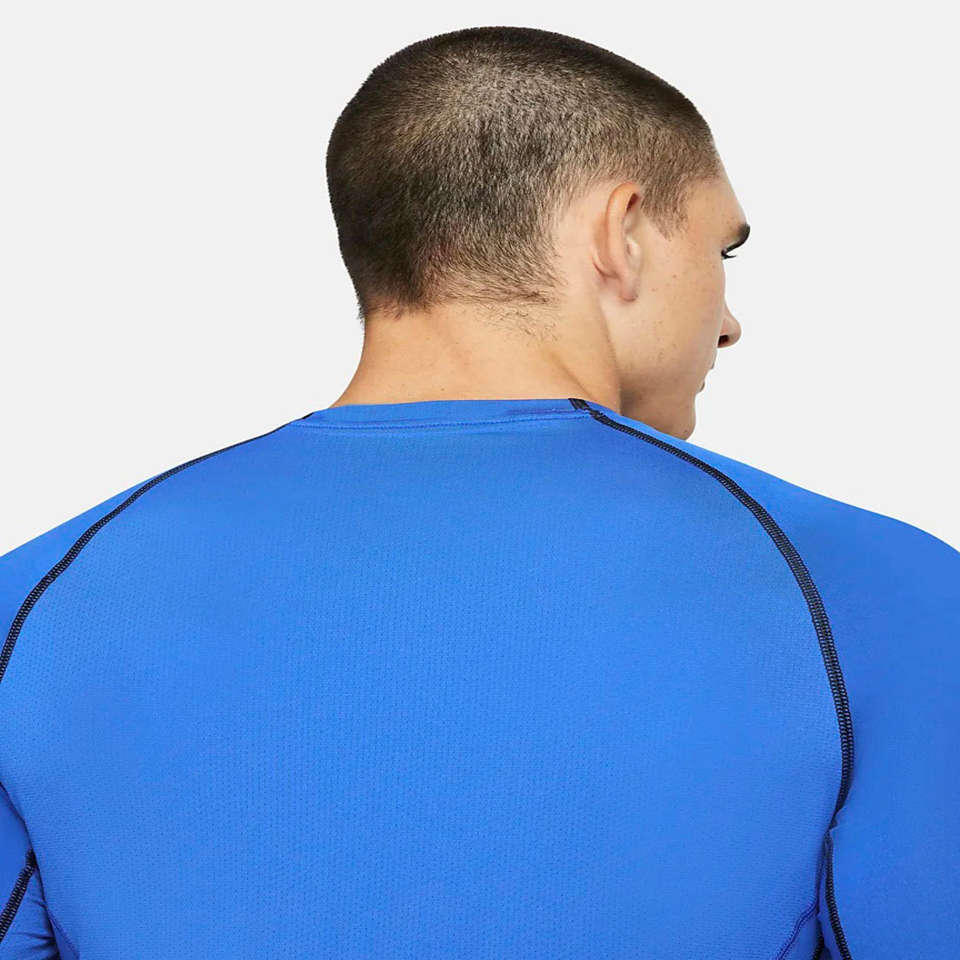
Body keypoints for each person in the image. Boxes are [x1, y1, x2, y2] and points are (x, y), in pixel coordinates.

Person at [0, 25, 955, 960]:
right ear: (621, 233)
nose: (730, 321)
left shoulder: (38, 602)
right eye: (722, 252)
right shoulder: (874, 591)